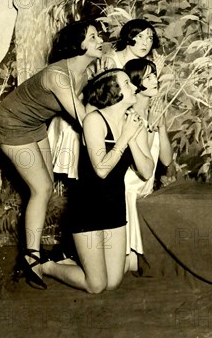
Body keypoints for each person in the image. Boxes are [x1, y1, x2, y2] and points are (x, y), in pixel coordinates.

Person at [0, 20, 104, 289]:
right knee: (40, 188)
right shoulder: (57, 76)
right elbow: (84, 119)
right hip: (10, 124)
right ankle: (30, 259)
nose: (100, 40)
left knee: (46, 186)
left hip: (34, 124)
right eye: (93, 36)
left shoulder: (83, 75)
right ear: (79, 44)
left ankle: (36, 253)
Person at [41, 68, 154, 293]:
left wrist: (131, 137)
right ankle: (48, 265)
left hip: (114, 206)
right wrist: (124, 138)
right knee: (97, 285)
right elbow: (102, 169)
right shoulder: (94, 120)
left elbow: (147, 170)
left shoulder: (133, 122)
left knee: (113, 282)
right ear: (113, 92)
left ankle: (69, 258)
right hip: (87, 207)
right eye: (127, 83)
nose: (134, 87)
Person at [123, 58, 173, 267]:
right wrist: (149, 127)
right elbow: (143, 170)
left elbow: (167, 160)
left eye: (154, 75)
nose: (155, 80)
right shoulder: (129, 114)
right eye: (148, 77)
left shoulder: (154, 110)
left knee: (132, 267)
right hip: (128, 191)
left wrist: (160, 127)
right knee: (128, 267)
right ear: (135, 84)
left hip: (144, 190)